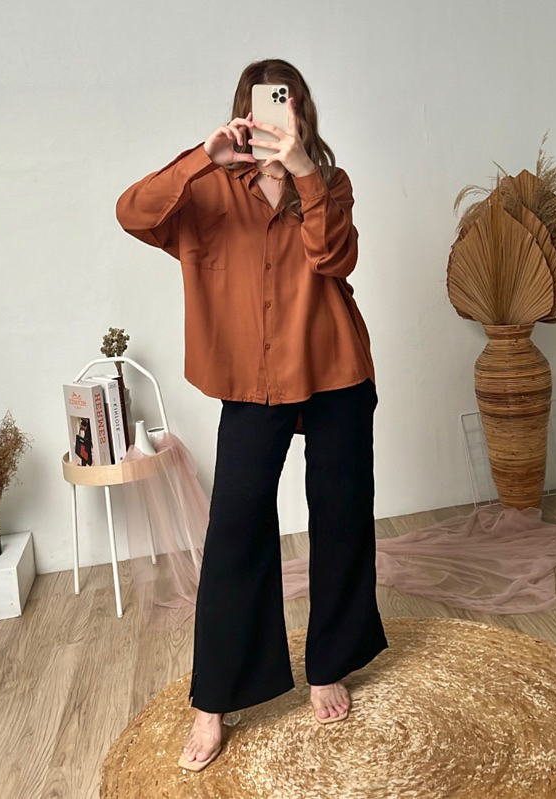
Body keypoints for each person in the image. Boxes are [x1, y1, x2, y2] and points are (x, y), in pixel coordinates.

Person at [115, 58, 388, 772]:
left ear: (301, 111)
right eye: (264, 103)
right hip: (252, 379)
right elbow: (132, 212)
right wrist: (200, 158)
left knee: (341, 513)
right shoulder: (206, 190)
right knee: (235, 528)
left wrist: (302, 170)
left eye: (286, 102)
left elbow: (336, 257)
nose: (276, 113)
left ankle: (329, 663)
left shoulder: (327, 182)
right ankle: (214, 700)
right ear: (244, 111)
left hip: (333, 367)